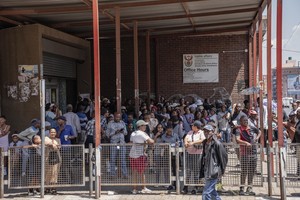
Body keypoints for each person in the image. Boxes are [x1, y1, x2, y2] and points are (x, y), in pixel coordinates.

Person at [199, 124, 228, 200]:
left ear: (212, 132)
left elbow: (224, 157)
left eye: (208, 131)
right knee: (212, 193)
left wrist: (222, 170)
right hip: (207, 170)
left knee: (206, 193)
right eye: (205, 131)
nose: (206, 133)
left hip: (214, 171)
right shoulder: (205, 142)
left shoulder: (217, 143)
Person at [236, 115, 260, 196]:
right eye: (244, 120)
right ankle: (242, 188)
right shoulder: (239, 129)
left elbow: (259, 132)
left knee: (251, 171)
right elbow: (237, 139)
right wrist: (246, 143)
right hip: (244, 153)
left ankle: (249, 187)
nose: (246, 122)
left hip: (253, 152)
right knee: (244, 171)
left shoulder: (252, 127)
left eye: (246, 120)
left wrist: (257, 138)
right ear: (240, 121)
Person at [129, 120, 154, 194]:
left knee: (134, 172)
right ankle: (143, 188)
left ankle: (134, 189)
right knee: (142, 172)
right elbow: (151, 141)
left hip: (132, 154)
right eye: (144, 125)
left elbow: (131, 142)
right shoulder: (142, 134)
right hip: (139, 155)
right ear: (140, 126)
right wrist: (153, 139)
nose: (145, 127)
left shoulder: (133, 133)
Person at [182, 120, 205, 194]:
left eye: (193, 125)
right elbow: (186, 137)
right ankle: (185, 187)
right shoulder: (190, 132)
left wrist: (193, 142)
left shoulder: (201, 132)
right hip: (189, 153)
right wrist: (185, 142)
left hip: (197, 154)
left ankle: (195, 187)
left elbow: (203, 140)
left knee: (196, 171)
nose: (192, 126)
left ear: (196, 127)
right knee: (188, 170)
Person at [106, 112, 128, 178]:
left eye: (119, 117)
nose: (118, 118)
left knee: (123, 159)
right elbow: (107, 135)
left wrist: (122, 131)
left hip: (121, 143)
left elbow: (126, 133)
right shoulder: (110, 124)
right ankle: (112, 174)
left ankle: (125, 174)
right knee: (112, 159)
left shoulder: (122, 123)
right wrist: (115, 132)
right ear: (114, 117)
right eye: (116, 117)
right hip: (113, 143)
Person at [45, 128, 61, 195]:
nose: (53, 133)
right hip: (47, 158)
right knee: (47, 173)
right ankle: (47, 188)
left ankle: (53, 188)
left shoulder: (58, 140)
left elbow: (58, 147)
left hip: (56, 158)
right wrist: (52, 144)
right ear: (49, 133)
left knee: (55, 173)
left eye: (54, 132)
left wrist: (53, 145)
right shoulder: (46, 138)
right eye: (51, 132)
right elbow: (47, 143)